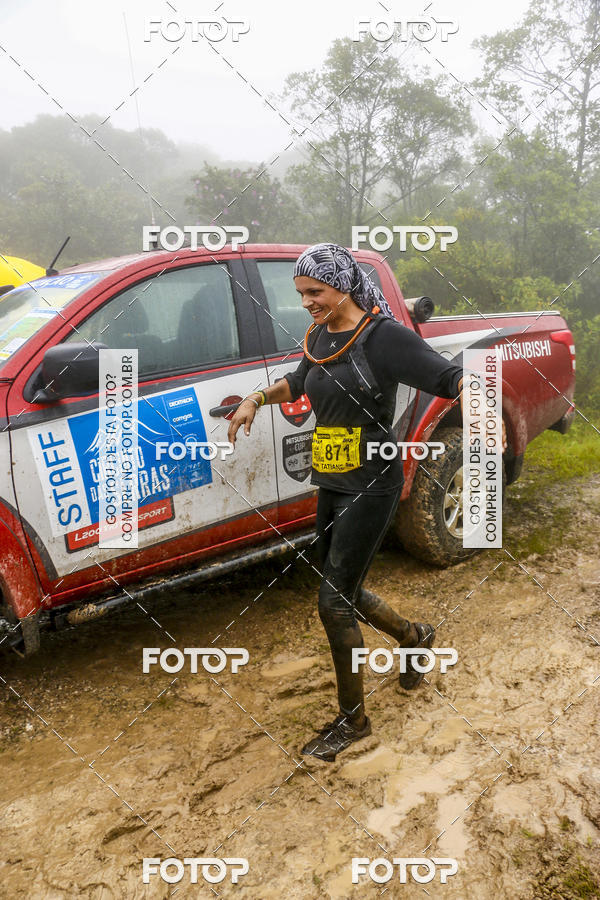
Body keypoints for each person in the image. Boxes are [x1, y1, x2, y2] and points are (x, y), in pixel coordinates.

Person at [228, 242, 506, 763]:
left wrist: (480, 403)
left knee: (333, 601)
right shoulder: (318, 335)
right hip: (332, 477)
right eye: (301, 293)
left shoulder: (383, 338)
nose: (306, 301)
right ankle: (415, 636)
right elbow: (298, 379)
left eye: (316, 291)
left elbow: (450, 376)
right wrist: (255, 399)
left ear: (344, 286)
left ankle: (353, 720)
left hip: (370, 484)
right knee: (345, 589)